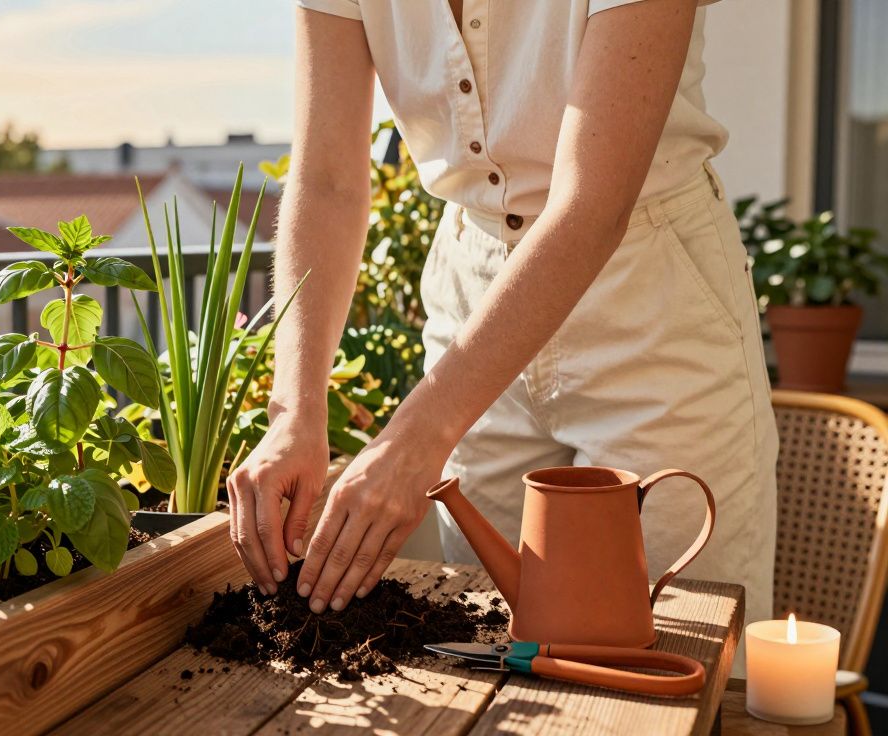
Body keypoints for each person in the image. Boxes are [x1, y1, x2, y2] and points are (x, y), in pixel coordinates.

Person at [226, 0, 777, 640]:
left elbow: (592, 203)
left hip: (650, 304)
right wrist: (295, 415)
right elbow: (326, 180)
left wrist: (415, 439)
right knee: (493, 647)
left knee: (675, 645)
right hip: (475, 297)